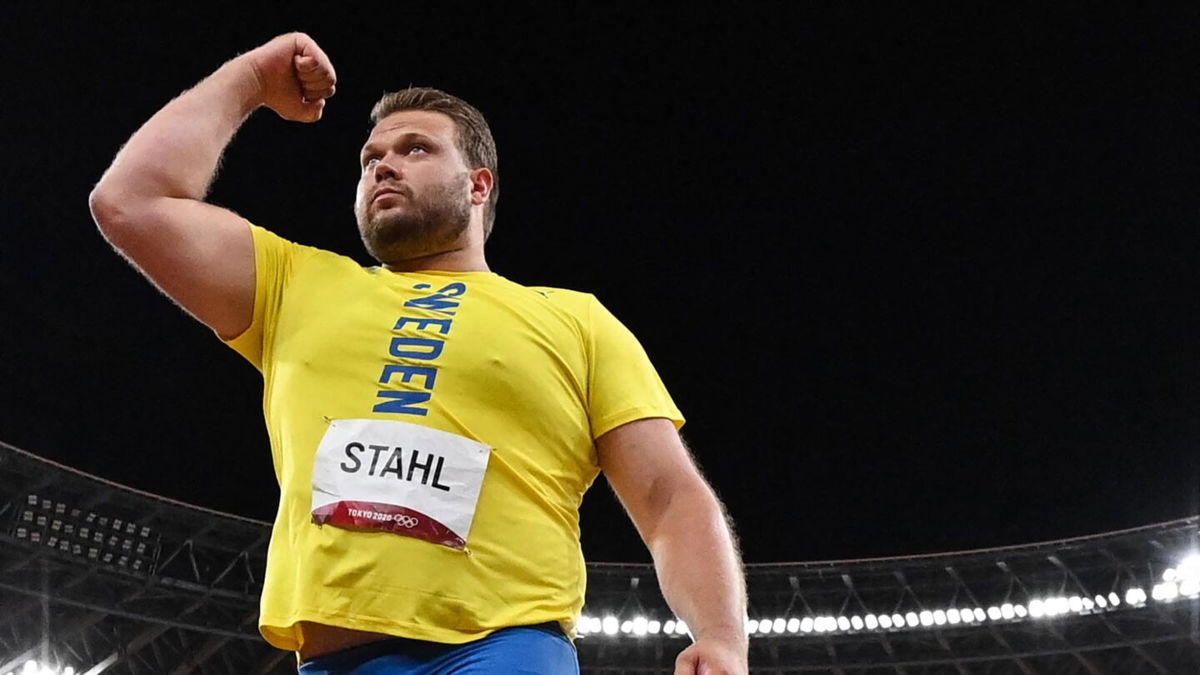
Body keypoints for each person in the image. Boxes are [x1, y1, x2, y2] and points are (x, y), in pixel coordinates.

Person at [89, 32, 747, 675]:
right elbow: (130, 201)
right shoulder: (296, 287)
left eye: (415, 148)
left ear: (478, 186)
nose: (382, 164)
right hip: (332, 659)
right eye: (370, 156)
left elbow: (668, 494)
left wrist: (720, 637)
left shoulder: (575, 320)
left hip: (502, 648)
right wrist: (253, 80)